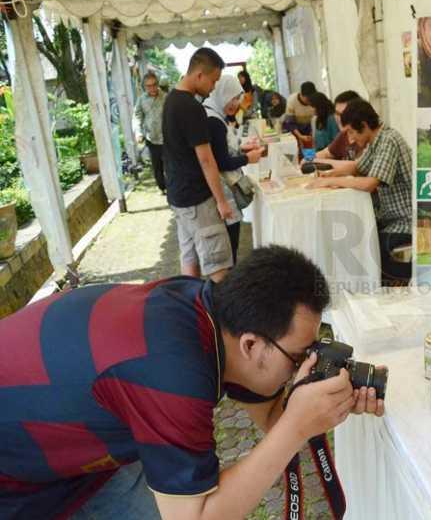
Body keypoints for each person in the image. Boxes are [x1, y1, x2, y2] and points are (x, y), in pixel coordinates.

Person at [0, 245, 384, 520]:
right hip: (16, 478)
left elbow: (270, 412)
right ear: (252, 343)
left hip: (84, 456)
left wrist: (327, 402)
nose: (305, 367)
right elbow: (194, 516)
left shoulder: (208, 309)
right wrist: (298, 423)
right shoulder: (172, 375)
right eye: (300, 357)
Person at [309, 100, 413, 285]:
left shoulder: (388, 140)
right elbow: (356, 167)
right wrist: (327, 174)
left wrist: (331, 180)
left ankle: (397, 287)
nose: (349, 139)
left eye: (350, 131)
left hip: (407, 220)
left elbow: (369, 184)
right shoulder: (375, 141)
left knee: (370, 248)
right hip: (389, 218)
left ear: (364, 126)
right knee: (358, 236)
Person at [163, 47, 234, 283]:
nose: (214, 87)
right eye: (213, 81)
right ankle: (221, 317)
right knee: (217, 262)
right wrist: (222, 201)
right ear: (199, 75)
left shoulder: (171, 100)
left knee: (190, 255)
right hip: (196, 197)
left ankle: (192, 310)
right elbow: (206, 159)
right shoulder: (191, 108)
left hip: (178, 195)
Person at [203, 75, 265, 264]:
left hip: (219, 190)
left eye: (238, 98)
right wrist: (248, 158)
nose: (236, 103)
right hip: (223, 191)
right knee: (229, 246)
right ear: (222, 93)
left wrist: (242, 149)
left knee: (227, 247)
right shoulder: (214, 120)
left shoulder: (214, 114)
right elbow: (221, 162)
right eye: (233, 97)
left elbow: (222, 151)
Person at [134, 72, 167, 194]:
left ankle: (173, 187)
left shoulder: (166, 97)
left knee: (170, 165)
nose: (152, 88)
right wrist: (138, 132)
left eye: (154, 85)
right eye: (148, 86)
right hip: (151, 138)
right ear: (145, 87)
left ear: (157, 84)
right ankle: (162, 188)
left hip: (167, 138)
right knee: (157, 166)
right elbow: (137, 116)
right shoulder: (141, 100)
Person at [314, 90, 363, 162]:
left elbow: (354, 166)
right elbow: (325, 153)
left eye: (344, 113)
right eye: (337, 113)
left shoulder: (365, 137)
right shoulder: (343, 135)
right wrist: (308, 159)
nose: (340, 118)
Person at [284, 81, 317, 146]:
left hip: (309, 129)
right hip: (295, 129)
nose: (309, 102)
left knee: (310, 150)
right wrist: (300, 136)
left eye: (311, 99)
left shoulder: (316, 99)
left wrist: (312, 133)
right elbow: (290, 123)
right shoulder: (292, 101)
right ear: (301, 94)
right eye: (307, 99)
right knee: (298, 149)